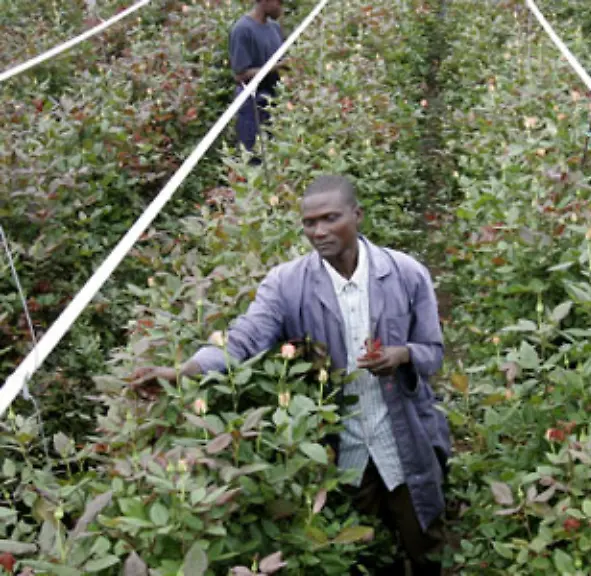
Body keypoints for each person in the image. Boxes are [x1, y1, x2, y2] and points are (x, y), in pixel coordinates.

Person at [131, 175, 451, 575]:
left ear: (357, 215)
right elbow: (244, 338)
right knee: (361, 556)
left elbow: (433, 353)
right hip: (342, 449)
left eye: (330, 218)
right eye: (309, 223)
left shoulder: (406, 273)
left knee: (424, 544)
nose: (319, 232)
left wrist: (402, 355)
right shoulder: (286, 284)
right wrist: (184, 371)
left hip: (402, 438)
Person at [229, 0, 289, 156]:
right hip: (252, 104)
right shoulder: (243, 30)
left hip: (273, 101)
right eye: (279, 2)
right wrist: (276, 66)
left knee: (275, 154)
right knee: (253, 156)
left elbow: (282, 60)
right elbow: (240, 75)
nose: (281, 7)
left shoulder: (274, 28)